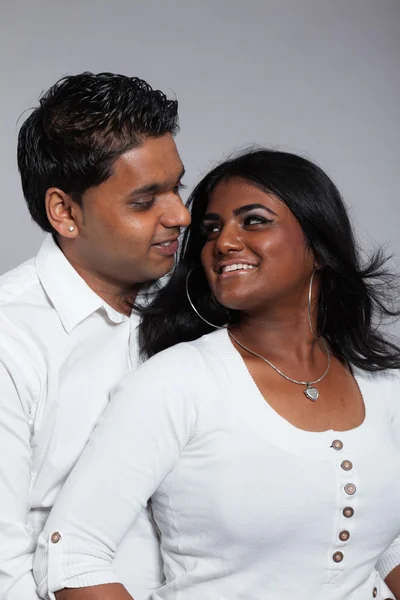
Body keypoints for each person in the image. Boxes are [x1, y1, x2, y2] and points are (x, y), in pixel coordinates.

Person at [33, 149, 400, 600]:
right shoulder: (177, 383)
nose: (224, 242)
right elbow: (73, 555)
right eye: (211, 229)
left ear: (318, 244)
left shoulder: (383, 385)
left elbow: (387, 545)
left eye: (254, 221)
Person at [0, 71, 191, 600]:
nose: (181, 214)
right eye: (144, 200)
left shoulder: (194, 315)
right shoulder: (10, 340)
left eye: (177, 186)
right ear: (64, 212)